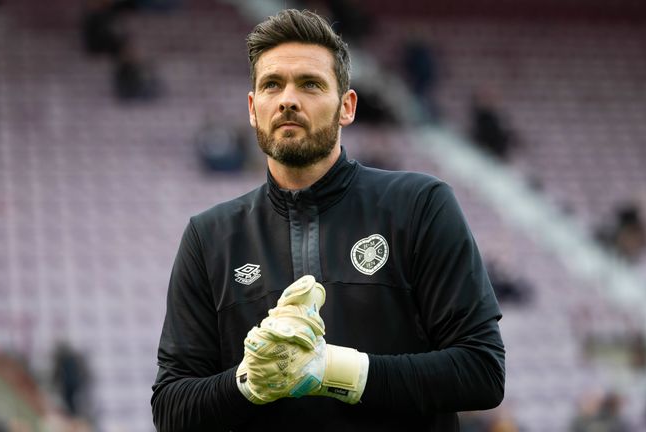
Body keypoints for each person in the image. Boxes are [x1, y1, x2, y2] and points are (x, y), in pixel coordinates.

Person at [151, 9, 505, 432]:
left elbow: (483, 371)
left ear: (346, 106)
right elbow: (171, 408)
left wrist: (334, 370)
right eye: (271, 85)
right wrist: (248, 382)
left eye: (310, 84)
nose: (287, 99)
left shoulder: (420, 205)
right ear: (252, 108)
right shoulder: (209, 237)